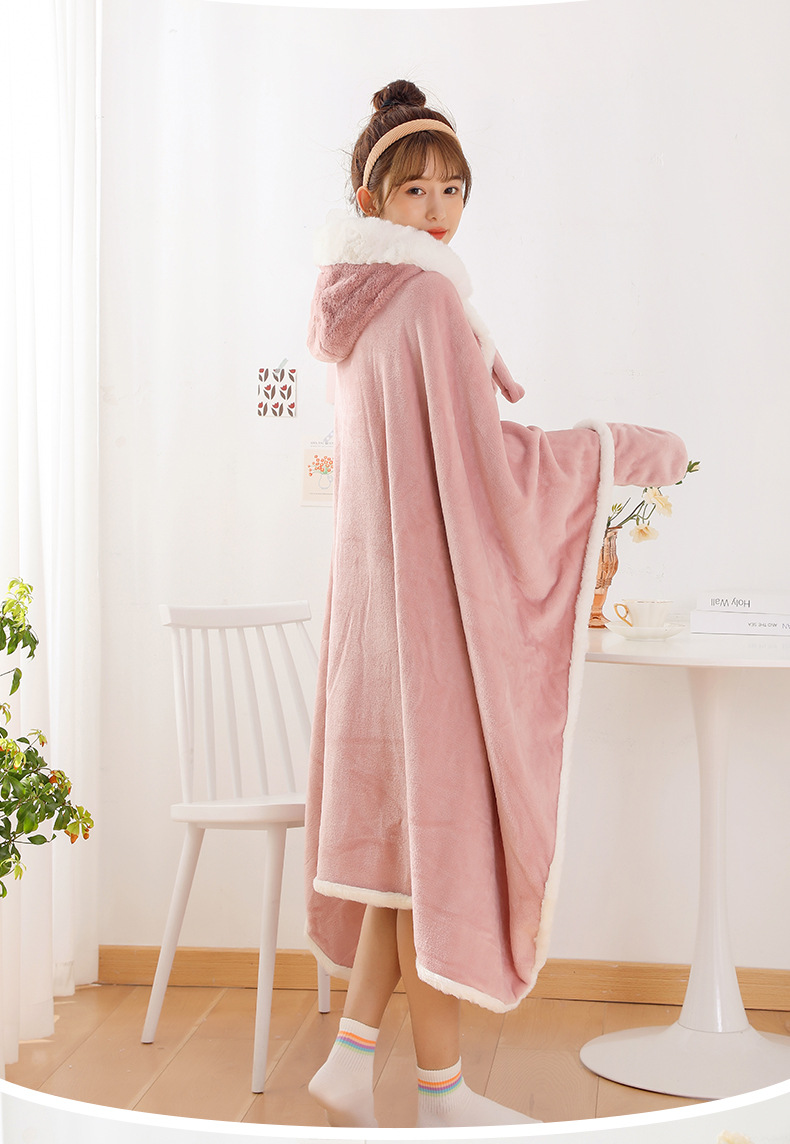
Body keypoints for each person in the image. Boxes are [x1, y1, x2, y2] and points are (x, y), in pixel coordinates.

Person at [303, 80, 688, 1129]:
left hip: (370, 621)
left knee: (399, 857)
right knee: (435, 860)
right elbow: (487, 466)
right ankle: (440, 1096)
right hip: (424, 621)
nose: (437, 209)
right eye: (414, 189)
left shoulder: (353, 307)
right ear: (370, 197)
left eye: (453, 189)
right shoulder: (426, 300)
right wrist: (619, 448)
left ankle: (351, 1061)